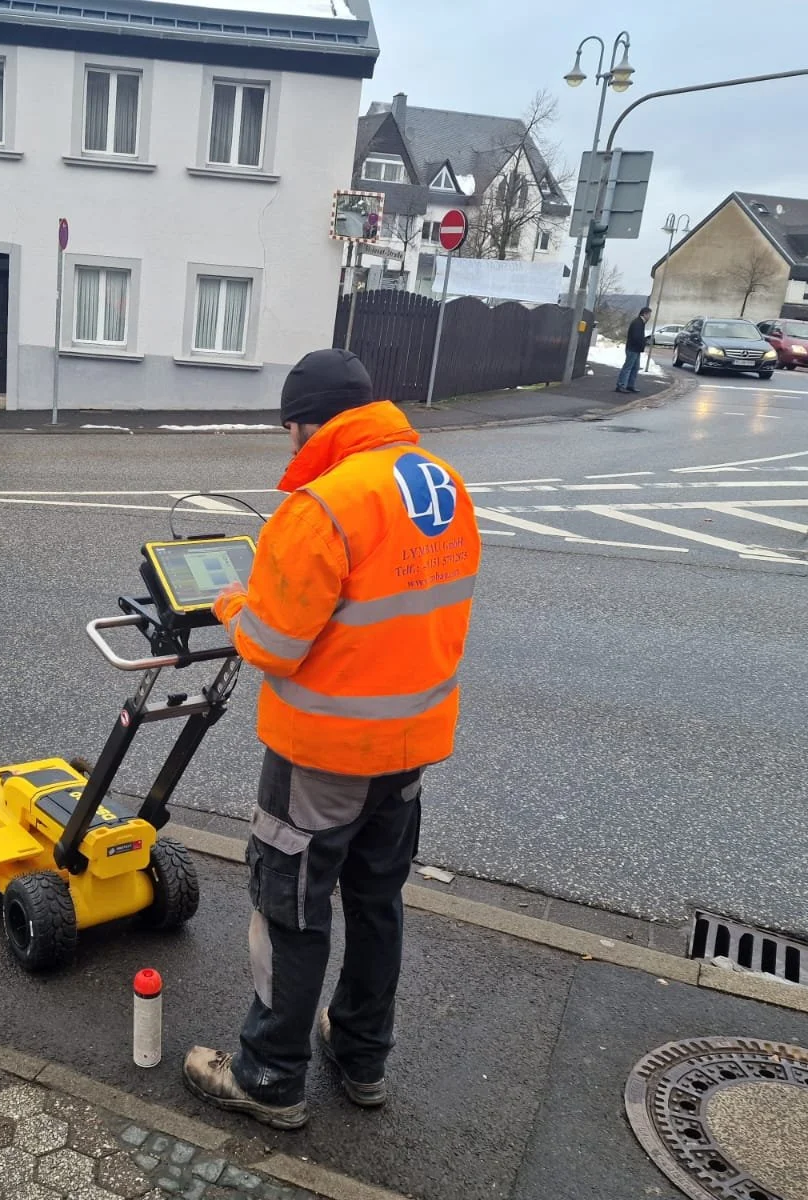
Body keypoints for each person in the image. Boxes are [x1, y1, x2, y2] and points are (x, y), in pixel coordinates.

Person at [182, 348, 482, 1130]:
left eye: (289, 431)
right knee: (377, 901)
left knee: (291, 908)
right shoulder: (439, 484)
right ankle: (360, 1053)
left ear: (300, 425)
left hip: (325, 752)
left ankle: (270, 1074)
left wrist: (231, 607)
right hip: (411, 743)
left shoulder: (322, 504)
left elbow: (275, 644)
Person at [617, 306, 651, 393]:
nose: (650, 316)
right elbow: (636, 337)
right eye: (649, 314)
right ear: (644, 314)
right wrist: (643, 341)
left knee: (635, 367)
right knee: (628, 367)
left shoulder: (640, 322)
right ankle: (621, 385)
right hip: (633, 348)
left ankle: (630, 385)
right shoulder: (637, 323)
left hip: (636, 349)